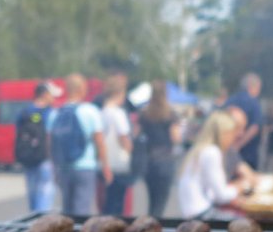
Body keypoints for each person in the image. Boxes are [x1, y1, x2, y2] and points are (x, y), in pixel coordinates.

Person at [50, 73, 111, 216]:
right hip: (85, 167)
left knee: (67, 210)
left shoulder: (56, 113)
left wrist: (55, 168)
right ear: (81, 89)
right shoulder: (90, 111)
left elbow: (51, 144)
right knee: (81, 210)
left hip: (64, 167)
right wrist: (106, 167)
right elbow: (99, 142)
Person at [177, 111, 247, 219]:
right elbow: (221, 196)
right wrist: (240, 187)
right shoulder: (212, 152)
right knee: (243, 221)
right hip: (200, 213)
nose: (233, 138)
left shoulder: (201, 149)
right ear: (224, 133)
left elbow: (212, 193)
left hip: (192, 211)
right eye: (231, 133)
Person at [14, 81, 60, 213]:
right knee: (45, 192)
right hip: (45, 159)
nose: (54, 98)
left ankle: (33, 218)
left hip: (28, 158)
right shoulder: (51, 113)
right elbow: (52, 137)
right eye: (52, 95)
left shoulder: (24, 113)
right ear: (45, 94)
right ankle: (42, 219)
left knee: (32, 191)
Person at [137, 80, 180, 218]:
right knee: (161, 202)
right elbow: (175, 137)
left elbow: (137, 134)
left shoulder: (144, 113)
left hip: (149, 159)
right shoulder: (170, 114)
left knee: (152, 200)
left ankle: (149, 223)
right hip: (165, 160)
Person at [100, 78, 133, 216]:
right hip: (118, 164)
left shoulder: (102, 112)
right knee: (118, 203)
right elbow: (123, 137)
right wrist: (131, 150)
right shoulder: (118, 114)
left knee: (108, 202)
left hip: (105, 162)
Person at [225, 73, 263, 170]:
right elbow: (254, 128)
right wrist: (238, 145)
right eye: (258, 88)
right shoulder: (254, 103)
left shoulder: (230, 101)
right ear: (252, 87)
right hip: (247, 153)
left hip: (227, 150)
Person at [223, 105, 256, 186]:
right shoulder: (212, 152)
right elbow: (219, 191)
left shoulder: (230, 151)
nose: (241, 133)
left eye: (243, 128)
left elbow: (250, 176)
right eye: (238, 128)